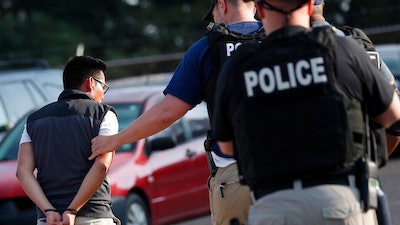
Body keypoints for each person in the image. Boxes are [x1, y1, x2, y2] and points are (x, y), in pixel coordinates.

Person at [212, 0, 400, 224]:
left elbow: (227, 146)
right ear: (310, 6)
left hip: (274, 208)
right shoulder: (343, 49)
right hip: (341, 202)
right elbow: (393, 117)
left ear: (260, 9)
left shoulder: (239, 66)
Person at [90, 1, 263, 224]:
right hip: (293, 171)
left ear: (222, 4)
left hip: (235, 176)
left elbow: (167, 113)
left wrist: (115, 140)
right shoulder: (285, 38)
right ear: (256, 6)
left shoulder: (206, 49)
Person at [16, 56, 120, 225]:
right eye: (104, 86)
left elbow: (22, 171)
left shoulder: (34, 120)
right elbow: (102, 165)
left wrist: (48, 210)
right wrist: (72, 210)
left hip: (49, 219)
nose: (103, 94)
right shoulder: (104, 114)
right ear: (90, 83)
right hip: (93, 215)